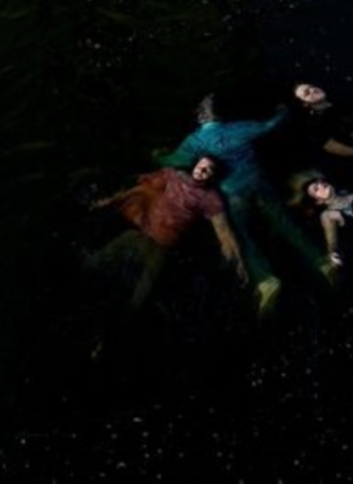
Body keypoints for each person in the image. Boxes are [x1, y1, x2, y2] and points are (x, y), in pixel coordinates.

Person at [155, 94, 334, 315]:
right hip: (259, 183)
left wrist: (158, 155)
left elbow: (173, 161)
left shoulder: (195, 141)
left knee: (242, 237)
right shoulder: (238, 127)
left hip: (233, 196)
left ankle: (266, 280)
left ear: (200, 117)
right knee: (285, 223)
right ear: (218, 115)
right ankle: (321, 262)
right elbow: (269, 126)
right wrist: (282, 111)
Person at [84, 156, 247, 357]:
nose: (202, 171)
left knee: (138, 300)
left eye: (209, 170)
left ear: (214, 176)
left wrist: (238, 262)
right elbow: (140, 183)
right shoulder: (174, 176)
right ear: (195, 165)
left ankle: (104, 342)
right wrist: (110, 200)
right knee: (93, 265)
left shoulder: (210, 199)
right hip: (138, 236)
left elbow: (224, 233)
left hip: (161, 249)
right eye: (201, 166)